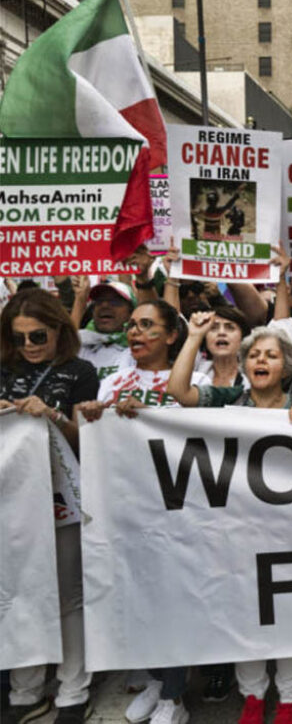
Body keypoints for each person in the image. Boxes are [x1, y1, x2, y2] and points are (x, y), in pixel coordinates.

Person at [166, 314, 292, 724]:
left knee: (289, 614)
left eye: (271, 355)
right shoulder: (226, 401)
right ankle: (253, 696)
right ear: (245, 365)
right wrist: (194, 336)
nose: (261, 360)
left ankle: (291, 698)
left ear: (286, 366)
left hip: (288, 533)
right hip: (238, 531)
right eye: (255, 355)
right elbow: (178, 391)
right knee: (246, 612)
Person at [76, 299, 199, 724]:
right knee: (138, 597)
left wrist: (152, 416)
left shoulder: (192, 377)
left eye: (147, 325)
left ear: (171, 335)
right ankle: (155, 679)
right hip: (123, 506)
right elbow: (91, 437)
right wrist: (92, 414)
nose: (135, 333)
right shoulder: (111, 381)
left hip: (174, 509)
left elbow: (197, 436)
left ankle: (174, 697)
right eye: (132, 325)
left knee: (171, 600)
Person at [0, 289, 99, 724]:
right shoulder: (3, 370)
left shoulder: (80, 372)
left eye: (37, 336)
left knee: (69, 596)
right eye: (18, 337)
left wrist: (53, 416)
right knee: (17, 591)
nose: (29, 345)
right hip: (12, 501)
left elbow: (87, 438)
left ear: (59, 329)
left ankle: (73, 691)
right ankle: (25, 691)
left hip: (62, 496)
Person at [70, 279, 135, 380]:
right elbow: (66, 344)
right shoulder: (82, 344)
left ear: (131, 313)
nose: (104, 306)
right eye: (99, 302)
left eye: (115, 302)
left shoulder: (138, 351)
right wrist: (80, 298)